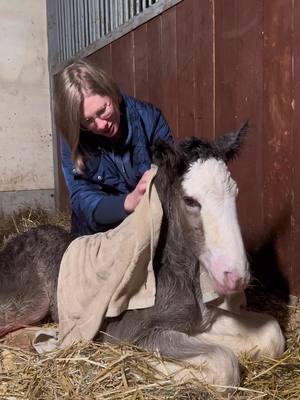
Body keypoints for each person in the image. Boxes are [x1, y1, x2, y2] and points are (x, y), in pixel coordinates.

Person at [54, 58, 173, 235]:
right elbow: (82, 199)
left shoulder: (150, 119)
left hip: (146, 228)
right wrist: (128, 202)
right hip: (95, 235)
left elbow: (171, 177)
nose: (101, 125)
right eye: (88, 120)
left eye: (103, 111)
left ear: (112, 93)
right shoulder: (74, 136)